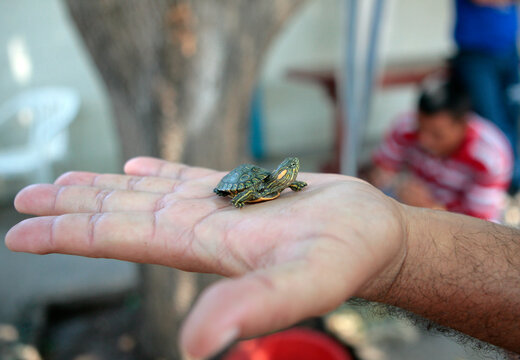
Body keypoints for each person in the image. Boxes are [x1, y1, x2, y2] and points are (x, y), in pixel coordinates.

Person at [4, 157, 520, 358]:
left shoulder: (286, 184)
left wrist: (401, 245)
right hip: (238, 185)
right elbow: (243, 193)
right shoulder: (257, 187)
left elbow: (288, 182)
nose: (293, 173)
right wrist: (404, 243)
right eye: (289, 172)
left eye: (290, 173)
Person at [369, 79, 513, 221]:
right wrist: (397, 183)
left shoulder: (490, 157)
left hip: (460, 228)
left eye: (436, 135)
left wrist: (431, 208)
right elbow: (381, 172)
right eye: (420, 129)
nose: (424, 140)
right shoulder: (406, 126)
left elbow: (479, 226)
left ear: (463, 125)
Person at [451, 0, 520, 192]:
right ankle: (499, 185)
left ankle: (511, 181)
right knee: (492, 121)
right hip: (476, 56)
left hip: (507, 50)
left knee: (512, 115)